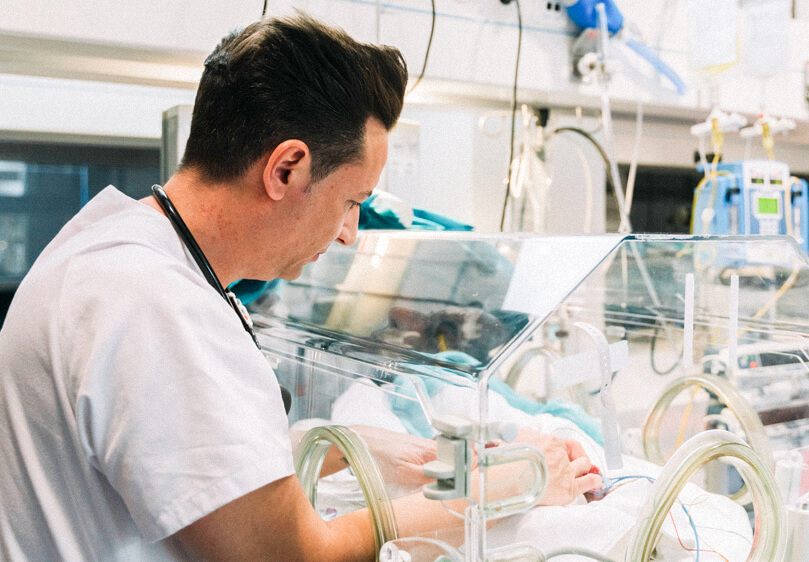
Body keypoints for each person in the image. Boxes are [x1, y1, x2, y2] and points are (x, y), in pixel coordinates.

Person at [0, 14, 601, 561]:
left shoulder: (111, 248)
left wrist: (336, 444)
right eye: (351, 202)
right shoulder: (153, 301)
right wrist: (496, 493)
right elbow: (290, 555)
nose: (350, 235)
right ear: (286, 169)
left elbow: (163, 460)